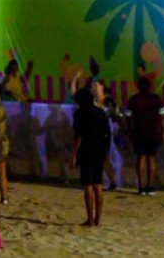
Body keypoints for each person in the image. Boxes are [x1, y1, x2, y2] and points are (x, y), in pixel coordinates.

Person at [72, 85, 111, 227]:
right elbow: (107, 133)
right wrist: (105, 151)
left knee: (88, 185)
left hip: (86, 151)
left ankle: (90, 219)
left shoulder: (79, 113)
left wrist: (73, 156)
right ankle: (98, 218)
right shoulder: (100, 112)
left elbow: (78, 136)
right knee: (98, 184)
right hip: (99, 150)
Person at [124, 75, 164, 195]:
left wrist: (129, 131)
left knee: (141, 158)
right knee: (151, 158)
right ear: (150, 86)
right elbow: (162, 117)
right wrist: (163, 132)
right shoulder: (157, 98)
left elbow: (128, 117)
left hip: (139, 132)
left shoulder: (133, 99)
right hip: (154, 132)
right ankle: (150, 186)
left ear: (138, 86)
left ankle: (141, 187)